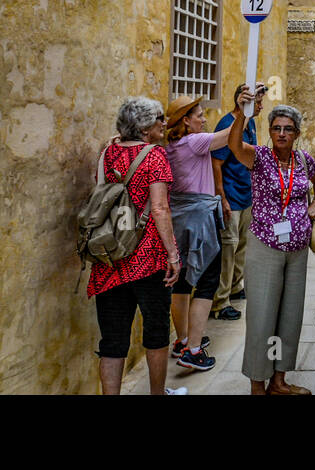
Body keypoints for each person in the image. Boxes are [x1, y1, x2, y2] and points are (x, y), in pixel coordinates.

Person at [227, 88, 315, 395]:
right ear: (269, 131)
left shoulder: (302, 159)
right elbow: (232, 145)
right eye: (276, 128)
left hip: (297, 250)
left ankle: (279, 381)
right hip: (265, 247)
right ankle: (258, 384)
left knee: (290, 316)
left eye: (288, 129)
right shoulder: (258, 157)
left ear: (296, 133)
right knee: (261, 316)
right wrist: (243, 113)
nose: (282, 133)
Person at [89, 97, 184, 395]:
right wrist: (173, 254)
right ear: (145, 127)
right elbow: (159, 209)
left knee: (112, 341)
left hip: (109, 256)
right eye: (159, 118)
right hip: (148, 258)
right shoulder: (154, 156)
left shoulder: (107, 153)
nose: (164, 123)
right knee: (156, 332)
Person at [164, 95, 235, 371]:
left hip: (178, 218)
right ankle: (193, 350)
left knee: (181, 282)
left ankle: (182, 339)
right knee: (207, 281)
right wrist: (244, 110)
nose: (204, 120)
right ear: (186, 121)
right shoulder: (195, 142)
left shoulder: (168, 146)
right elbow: (231, 135)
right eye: (199, 115)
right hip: (201, 219)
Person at [210, 84, 255, 321]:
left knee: (241, 246)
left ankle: (236, 288)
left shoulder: (252, 123)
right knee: (228, 249)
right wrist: (222, 198)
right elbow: (216, 162)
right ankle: (220, 302)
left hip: (246, 195)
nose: (260, 106)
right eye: (257, 101)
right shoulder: (227, 124)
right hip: (231, 197)